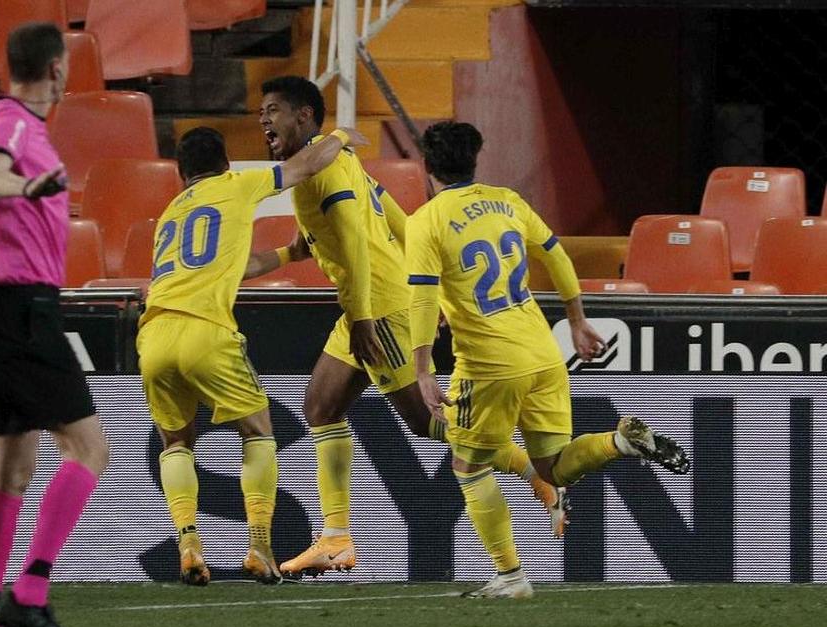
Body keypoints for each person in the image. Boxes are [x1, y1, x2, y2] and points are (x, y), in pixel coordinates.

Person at [256, 76, 569, 579]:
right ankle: (336, 538)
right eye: (262, 112)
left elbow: (356, 243)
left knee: (427, 424)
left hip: (377, 307)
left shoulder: (322, 168)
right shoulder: (337, 160)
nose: (263, 120)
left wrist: (366, 317)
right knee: (321, 407)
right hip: (367, 304)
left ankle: (535, 472)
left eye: (273, 109)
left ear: (304, 115)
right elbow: (391, 214)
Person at [407, 121, 691, 599]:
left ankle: (510, 576)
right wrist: (577, 320)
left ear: (426, 167)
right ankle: (620, 442)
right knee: (554, 468)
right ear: (474, 161)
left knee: (468, 465)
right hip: (543, 351)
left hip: (489, 362)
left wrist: (422, 368)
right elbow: (556, 255)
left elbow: (420, 297)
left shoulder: (426, 221)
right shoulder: (507, 201)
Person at [137, 125, 368, 587]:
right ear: (226, 164)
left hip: (153, 334)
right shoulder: (236, 185)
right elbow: (304, 166)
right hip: (206, 329)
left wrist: (288, 254)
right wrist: (340, 136)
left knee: (176, 443)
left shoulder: (170, 214)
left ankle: (188, 542)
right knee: (259, 431)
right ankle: (260, 545)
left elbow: (232, 266)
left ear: (182, 174)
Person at [0, 22, 107, 627]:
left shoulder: (9, 122)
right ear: (57, 69)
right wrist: (29, 185)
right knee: (89, 448)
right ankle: (30, 594)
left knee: (12, 468)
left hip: (1, 309)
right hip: (23, 312)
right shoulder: (14, 125)